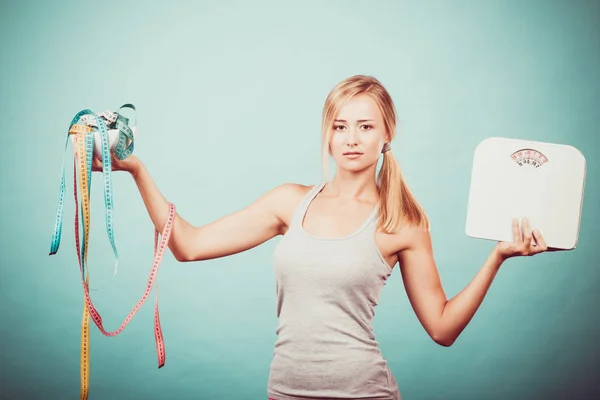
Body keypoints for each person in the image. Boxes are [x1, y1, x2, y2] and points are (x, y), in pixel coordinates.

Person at [92, 75, 550, 400]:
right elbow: (187, 246)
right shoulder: (289, 203)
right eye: (340, 125)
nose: (352, 138)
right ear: (328, 135)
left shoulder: (402, 221)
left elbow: (442, 329)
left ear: (387, 134)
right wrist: (136, 169)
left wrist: (497, 257)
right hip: (285, 392)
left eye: (366, 126)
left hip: (363, 392)